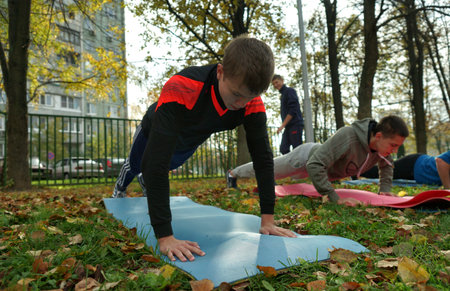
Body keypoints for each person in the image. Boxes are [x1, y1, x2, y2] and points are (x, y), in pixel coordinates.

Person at [113, 35, 296, 262]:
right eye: (237, 94)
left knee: (165, 167)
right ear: (220, 72)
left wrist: (267, 220)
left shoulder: (250, 101)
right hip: (155, 128)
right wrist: (165, 237)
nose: (240, 104)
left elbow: (263, 158)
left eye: (249, 98)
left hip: (189, 138)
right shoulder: (183, 86)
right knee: (138, 164)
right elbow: (155, 162)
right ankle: (119, 188)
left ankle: (145, 180)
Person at [227, 115, 409, 202]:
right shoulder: (349, 136)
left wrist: (385, 189)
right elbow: (315, 164)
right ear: (378, 136)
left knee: (271, 174)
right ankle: (233, 173)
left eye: (397, 147)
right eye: (393, 145)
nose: (394, 151)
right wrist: (332, 196)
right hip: (306, 158)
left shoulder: (381, 152)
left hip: (320, 167)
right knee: (268, 169)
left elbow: (387, 166)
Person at [360, 151, 450, 189]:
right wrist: (448, 188)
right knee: (380, 173)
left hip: (417, 173)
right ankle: (356, 170)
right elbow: (440, 161)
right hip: (414, 164)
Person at [272, 75, 304, 154]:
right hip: (288, 126)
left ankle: (301, 165)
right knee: (283, 148)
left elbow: (293, 110)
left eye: (277, 82)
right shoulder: (283, 95)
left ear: (282, 81)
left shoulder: (290, 91)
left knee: (297, 149)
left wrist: (282, 125)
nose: (275, 85)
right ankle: (291, 165)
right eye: (274, 84)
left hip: (295, 124)